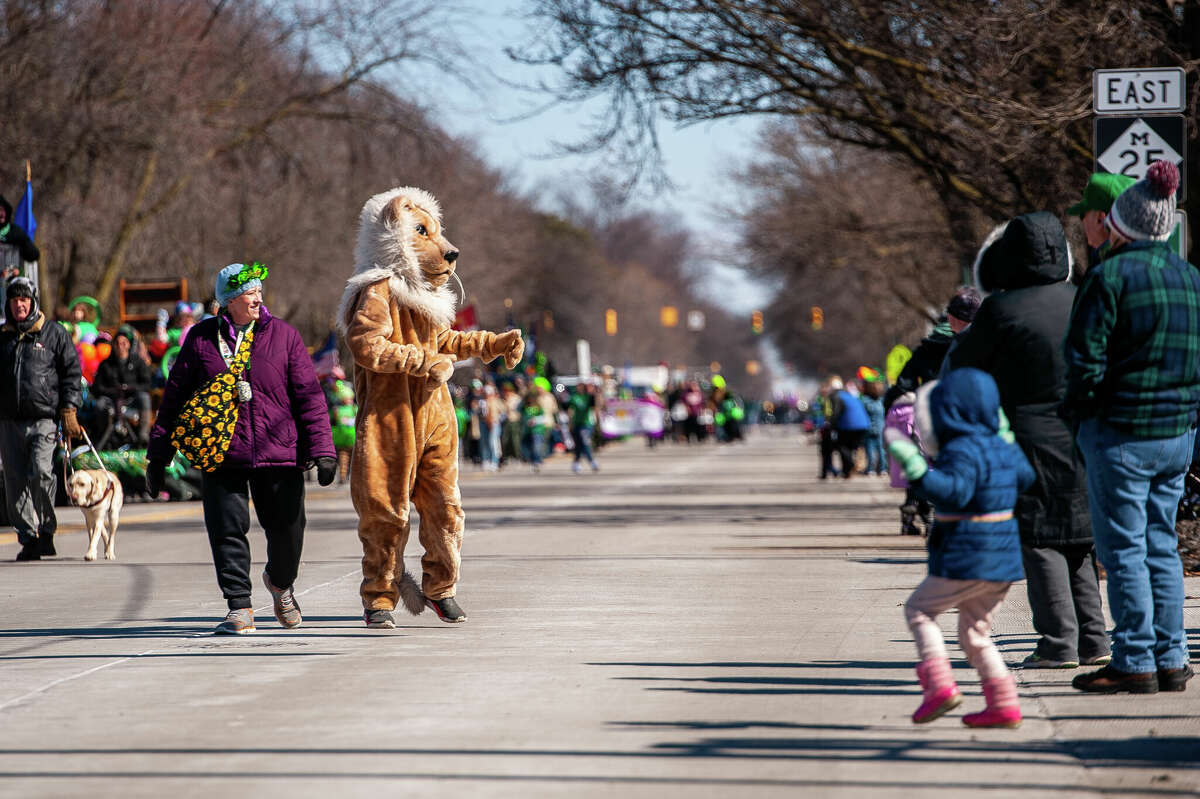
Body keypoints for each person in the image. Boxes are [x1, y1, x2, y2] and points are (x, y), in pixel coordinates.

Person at [950, 212, 1109, 671]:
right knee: (1080, 536)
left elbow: (963, 369)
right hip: (1083, 430)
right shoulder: (1082, 298)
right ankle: (1094, 639)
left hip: (1027, 435)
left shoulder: (1001, 310)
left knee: (1039, 537)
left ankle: (1058, 641)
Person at [1062, 161, 1196, 694]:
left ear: (1121, 225)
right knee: (1161, 544)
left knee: (1123, 551)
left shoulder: (1108, 277)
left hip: (1120, 434)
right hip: (1177, 435)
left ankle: (1135, 659)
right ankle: (1173, 655)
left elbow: (1083, 363)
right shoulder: (1192, 280)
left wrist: (1082, 413)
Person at [146, 263, 337, 634]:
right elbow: (174, 399)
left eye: (259, 291)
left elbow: (309, 397)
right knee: (226, 529)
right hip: (221, 450)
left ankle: (280, 584)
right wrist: (158, 455)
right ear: (229, 300)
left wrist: (323, 449)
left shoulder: (284, 336)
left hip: (278, 450)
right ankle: (239, 606)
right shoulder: (201, 339)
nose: (258, 298)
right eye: (250, 292)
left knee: (288, 529)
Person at [886, 368, 1035, 728]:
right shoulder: (1003, 445)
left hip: (968, 553)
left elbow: (955, 492)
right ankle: (1003, 703)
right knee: (974, 634)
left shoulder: (961, 449)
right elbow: (1026, 478)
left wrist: (918, 471)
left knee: (920, 611)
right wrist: (1007, 439)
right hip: (1002, 560)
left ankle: (939, 686)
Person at [0, 276, 83, 560]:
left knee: (41, 471)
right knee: (14, 481)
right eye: (14, 300)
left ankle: (47, 529)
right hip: (9, 421)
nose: (19, 305)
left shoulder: (54, 333)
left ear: (33, 301)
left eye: (24, 299)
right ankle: (28, 537)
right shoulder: (3, 338)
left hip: (44, 419)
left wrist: (69, 409)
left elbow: (72, 374)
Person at [91, 324, 154, 446]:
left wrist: (130, 388)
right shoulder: (106, 364)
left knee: (144, 398)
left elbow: (147, 384)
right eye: (117, 343)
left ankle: (143, 437)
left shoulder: (138, 362)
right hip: (111, 398)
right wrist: (112, 391)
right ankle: (103, 438)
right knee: (100, 405)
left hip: (132, 398)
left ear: (129, 345)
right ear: (113, 345)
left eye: (124, 343)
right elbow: (97, 388)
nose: (120, 346)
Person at [1067, 172, 1136, 275]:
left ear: (1100, 219)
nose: (1082, 221)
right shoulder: (1157, 261)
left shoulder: (1105, 273)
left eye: (1083, 215)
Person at [830, 375, 869, 479]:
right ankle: (847, 471)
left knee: (842, 446)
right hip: (862, 425)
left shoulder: (837, 397)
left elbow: (836, 413)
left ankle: (850, 466)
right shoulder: (850, 396)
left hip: (848, 426)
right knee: (850, 447)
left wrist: (832, 426)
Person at [568, 382, 599, 473]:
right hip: (577, 423)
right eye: (578, 387)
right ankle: (576, 463)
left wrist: (592, 391)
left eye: (581, 387)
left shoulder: (588, 397)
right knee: (578, 444)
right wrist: (570, 423)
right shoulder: (574, 397)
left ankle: (592, 461)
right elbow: (570, 409)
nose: (579, 389)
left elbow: (594, 406)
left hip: (587, 424)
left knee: (585, 442)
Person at [0, 195, 40, 264]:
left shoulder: (15, 231)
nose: (1, 214)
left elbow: (34, 255)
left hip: (12, 272)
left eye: (3, 210)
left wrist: (23, 243)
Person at [860, 377, 886, 476]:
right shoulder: (881, 401)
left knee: (870, 449)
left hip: (869, 428)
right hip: (881, 427)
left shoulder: (864, 401)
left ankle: (871, 469)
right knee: (881, 449)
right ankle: (883, 468)